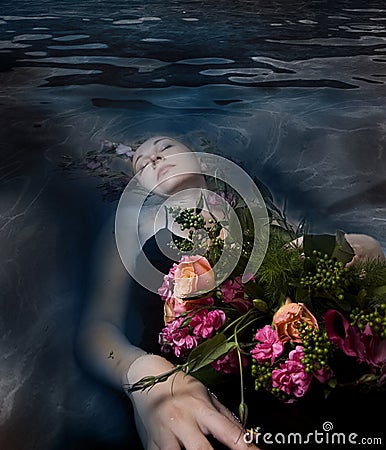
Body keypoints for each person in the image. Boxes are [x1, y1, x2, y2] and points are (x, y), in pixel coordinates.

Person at [76, 136, 385, 450]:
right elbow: (97, 328)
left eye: (165, 147)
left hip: (293, 379)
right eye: (142, 162)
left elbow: (304, 257)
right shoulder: (131, 225)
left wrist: (360, 250)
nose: (154, 158)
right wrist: (142, 374)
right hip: (193, 389)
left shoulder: (253, 210)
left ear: (200, 158)